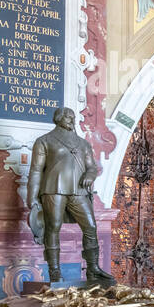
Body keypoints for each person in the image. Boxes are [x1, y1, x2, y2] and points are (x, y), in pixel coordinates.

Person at [27, 107, 115, 286]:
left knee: (90, 226)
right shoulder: (44, 141)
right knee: (53, 227)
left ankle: (93, 268)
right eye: (67, 116)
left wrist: (90, 176)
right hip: (53, 188)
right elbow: (36, 170)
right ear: (58, 118)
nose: (71, 119)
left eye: (72, 117)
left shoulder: (83, 144)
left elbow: (92, 167)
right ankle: (55, 272)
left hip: (79, 190)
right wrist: (32, 196)